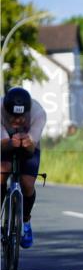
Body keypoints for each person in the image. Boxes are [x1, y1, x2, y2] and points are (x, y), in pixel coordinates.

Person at [1, 87, 47, 248]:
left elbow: (31, 147)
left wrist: (27, 143)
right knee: (2, 171)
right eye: (12, 117)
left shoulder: (38, 113)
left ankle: (26, 221)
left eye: (21, 117)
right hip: (4, 144)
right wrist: (10, 142)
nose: (17, 121)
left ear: (28, 112)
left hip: (29, 146)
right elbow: (3, 144)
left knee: (27, 184)